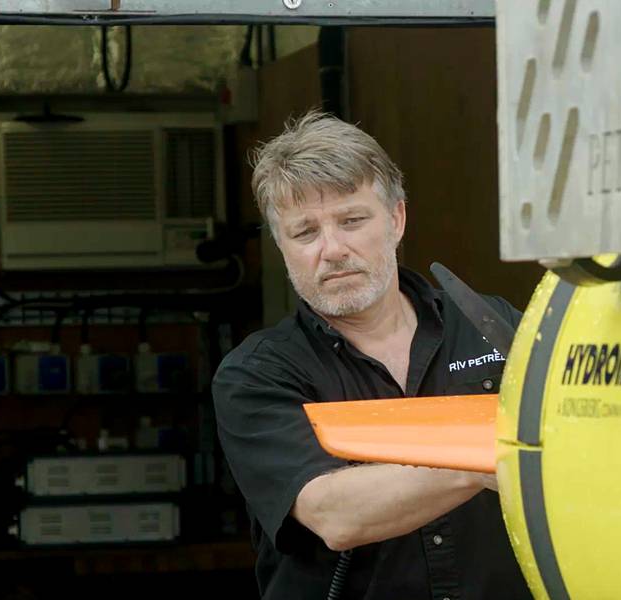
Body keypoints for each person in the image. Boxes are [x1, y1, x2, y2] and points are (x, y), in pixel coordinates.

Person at [212, 110, 533, 600]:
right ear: (281, 245)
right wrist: (488, 458)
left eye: (352, 220)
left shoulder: (496, 327)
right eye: (304, 232)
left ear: (398, 218)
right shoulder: (255, 375)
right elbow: (331, 515)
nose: (333, 248)